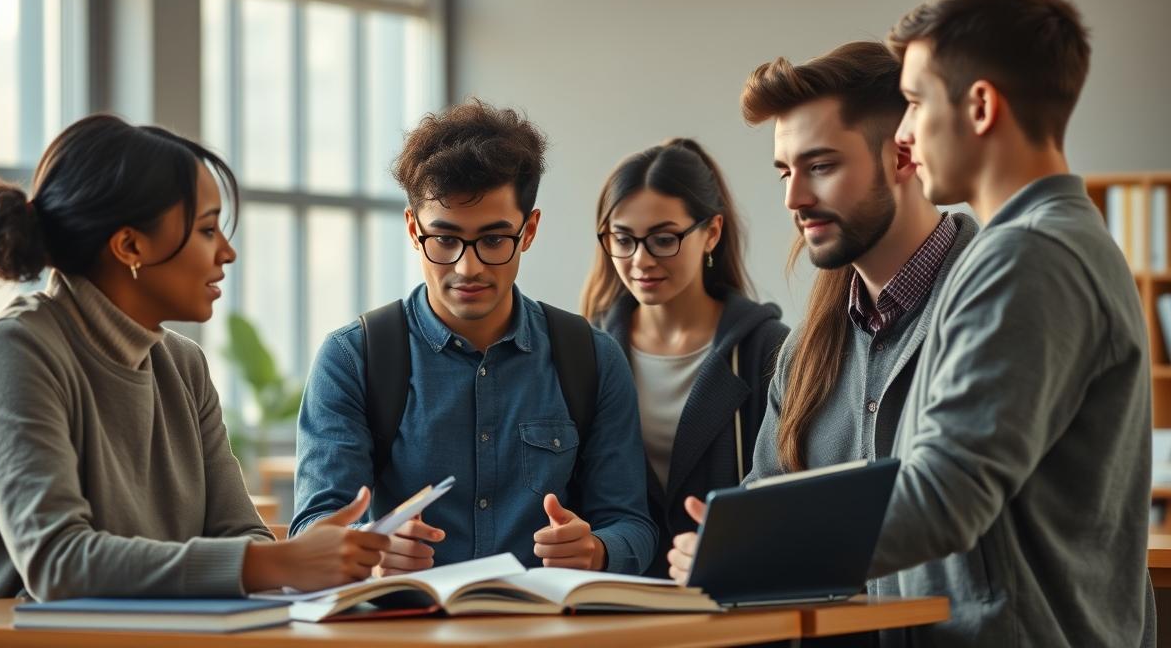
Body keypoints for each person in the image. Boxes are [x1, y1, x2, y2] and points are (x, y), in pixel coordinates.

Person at [0, 114, 388, 604]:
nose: (227, 252)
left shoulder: (183, 367)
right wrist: (277, 565)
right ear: (129, 246)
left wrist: (306, 557)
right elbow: (58, 562)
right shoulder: (13, 352)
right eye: (208, 230)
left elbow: (238, 533)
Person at [866, 0, 1152, 646]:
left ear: (981, 106)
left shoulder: (1030, 256)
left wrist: (756, 553)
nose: (904, 133)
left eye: (913, 101)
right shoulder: (1053, 243)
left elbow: (944, 494)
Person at [666, 42, 979, 600]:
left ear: (903, 156)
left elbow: (967, 512)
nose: (794, 196)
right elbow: (762, 510)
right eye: (786, 170)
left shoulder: (992, 302)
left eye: (821, 166)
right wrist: (721, 550)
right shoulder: (806, 349)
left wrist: (759, 549)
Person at [292, 99, 656, 575]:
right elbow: (314, 529)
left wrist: (597, 549)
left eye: (493, 240)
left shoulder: (590, 357)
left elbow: (631, 524)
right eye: (444, 239)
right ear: (412, 228)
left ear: (529, 231)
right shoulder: (353, 358)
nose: (469, 267)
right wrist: (372, 547)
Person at [580, 138, 788, 579]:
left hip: (729, 601)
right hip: (615, 604)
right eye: (623, 238)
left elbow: (790, 495)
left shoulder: (767, 351)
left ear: (711, 232)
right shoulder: (585, 351)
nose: (641, 260)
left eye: (663, 239)